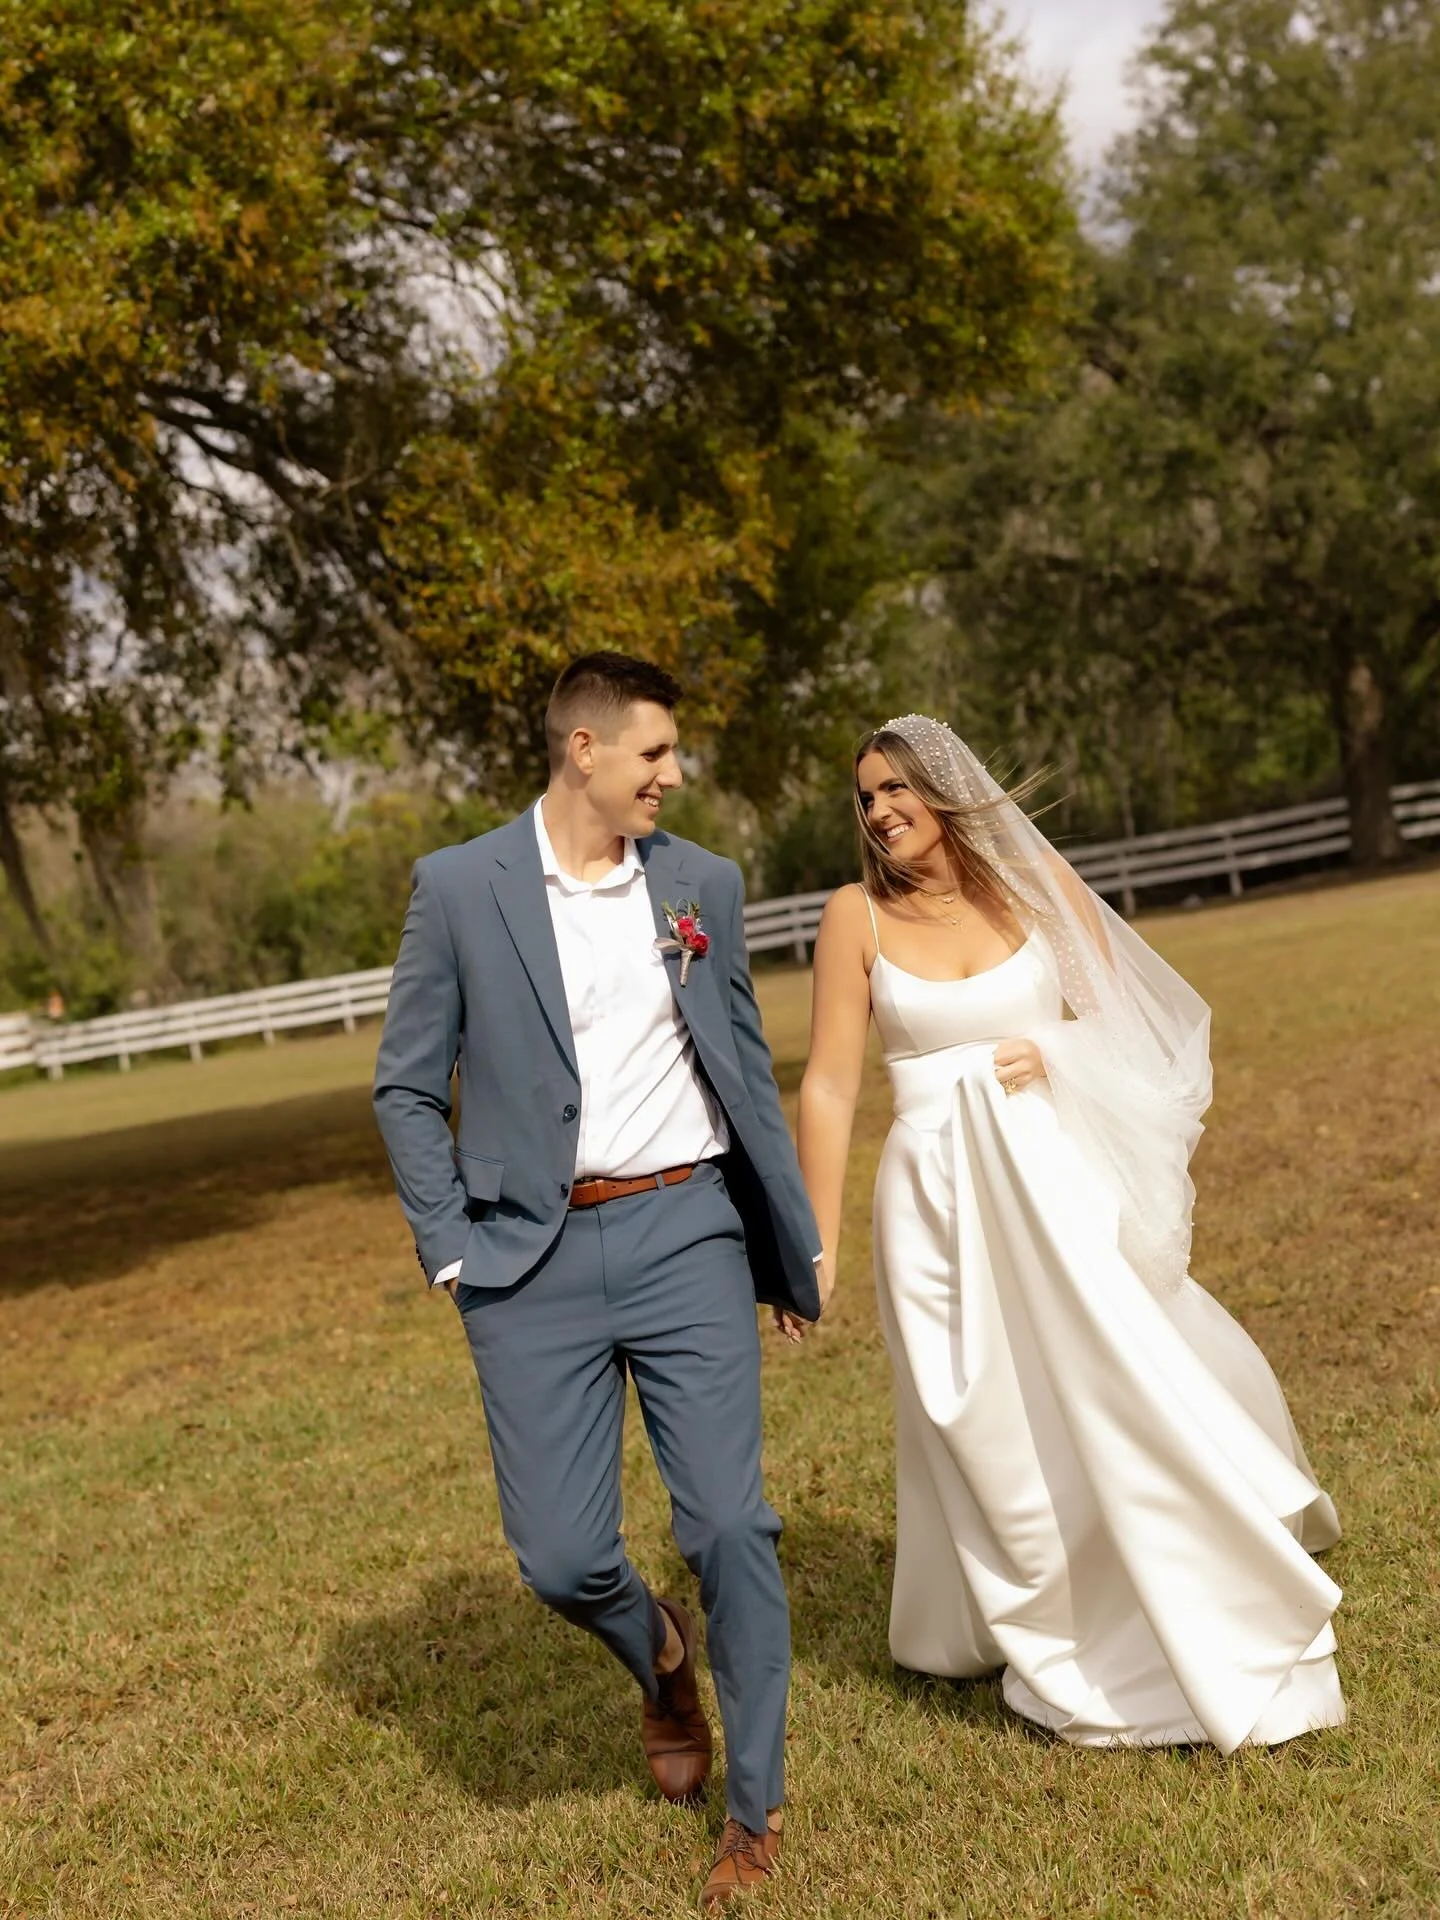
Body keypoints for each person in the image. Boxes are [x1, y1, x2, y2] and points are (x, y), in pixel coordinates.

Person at [373, 652, 827, 1906]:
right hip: (529, 1260)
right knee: (563, 1558)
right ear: (585, 750)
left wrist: (784, 1244)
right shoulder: (460, 888)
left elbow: (743, 1068)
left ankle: (755, 1811)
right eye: (654, 755)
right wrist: (452, 1244)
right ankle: (662, 1656)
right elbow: (406, 1083)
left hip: (688, 1232)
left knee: (730, 1522)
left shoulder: (702, 887)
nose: (671, 776)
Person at [798, 713, 1345, 1749]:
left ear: (946, 792)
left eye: (893, 789)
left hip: (1050, 1175)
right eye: (864, 796)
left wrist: (1052, 1051)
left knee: (1109, 1378)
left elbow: (1121, 1023)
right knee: (976, 1415)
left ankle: (1164, 1580)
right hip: (933, 1198)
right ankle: (1030, 1617)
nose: (877, 811)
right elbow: (829, 1086)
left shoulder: (1027, 895)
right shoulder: (852, 919)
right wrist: (811, 1242)